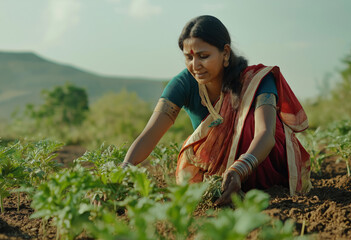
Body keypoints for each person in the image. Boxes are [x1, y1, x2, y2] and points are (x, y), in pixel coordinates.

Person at [120, 15, 311, 205]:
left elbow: (265, 134)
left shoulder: (256, 81)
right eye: (188, 57)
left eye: (203, 56)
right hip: (214, 177)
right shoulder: (183, 83)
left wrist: (238, 170)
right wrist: (122, 173)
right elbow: (150, 133)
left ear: (225, 53)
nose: (195, 66)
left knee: (251, 121)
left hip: (262, 168)